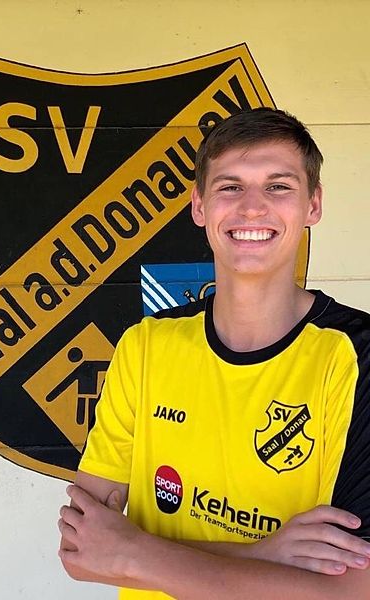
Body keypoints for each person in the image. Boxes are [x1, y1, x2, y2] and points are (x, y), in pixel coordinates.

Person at [58, 108, 370, 599]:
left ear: (313, 205)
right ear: (199, 205)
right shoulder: (145, 345)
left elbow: (351, 591)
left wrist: (133, 553)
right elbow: (82, 551)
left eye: (278, 186)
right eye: (230, 186)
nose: (252, 208)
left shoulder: (355, 354)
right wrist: (262, 553)